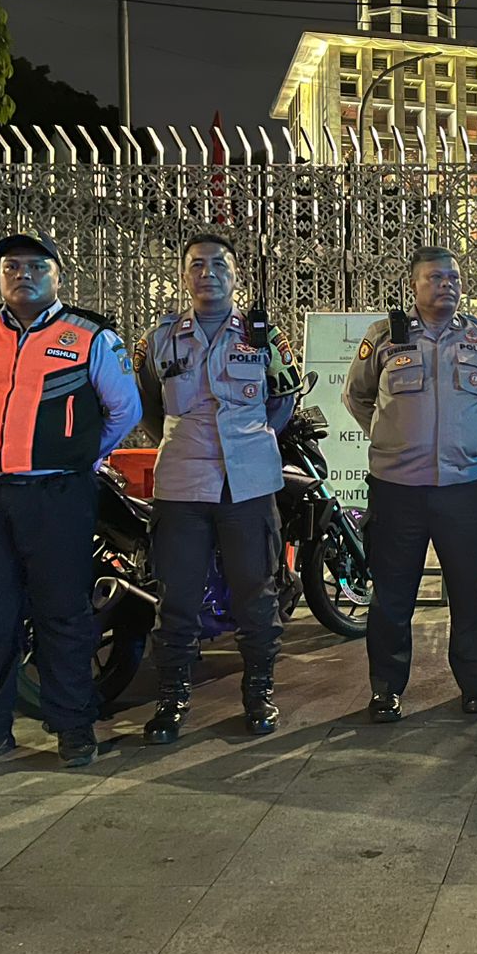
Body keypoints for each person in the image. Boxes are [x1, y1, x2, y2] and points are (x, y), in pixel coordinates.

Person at [0, 233, 142, 776]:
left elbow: (124, 411)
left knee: (63, 615)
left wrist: (76, 457)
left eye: (36, 266)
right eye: (12, 266)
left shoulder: (90, 336)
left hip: (56, 496)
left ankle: (73, 727)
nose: (22, 275)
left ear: (58, 276)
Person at [133, 231, 302, 742]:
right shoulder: (160, 339)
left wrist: (251, 439)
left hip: (247, 486)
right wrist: (185, 440)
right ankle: (172, 699)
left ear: (235, 276)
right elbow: (147, 405)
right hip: (182, 484)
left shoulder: (261, 335)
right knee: (176, 598)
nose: (209, 274)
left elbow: (283, 398)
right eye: (198, 265)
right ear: (184, 276)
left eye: (219, 266)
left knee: (256, 594)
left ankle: (259, 694)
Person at [343, 246, 477, 722]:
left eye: (453, 278)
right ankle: (386, 690)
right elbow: (358, 396)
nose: (446, 285)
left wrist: (467, 438)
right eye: (435, 278)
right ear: (413, 286)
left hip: (464, 488)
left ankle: (476, 684)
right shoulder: (384, 337)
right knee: (392, 595)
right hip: (398, 490)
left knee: (470, 591)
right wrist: (392, 438)